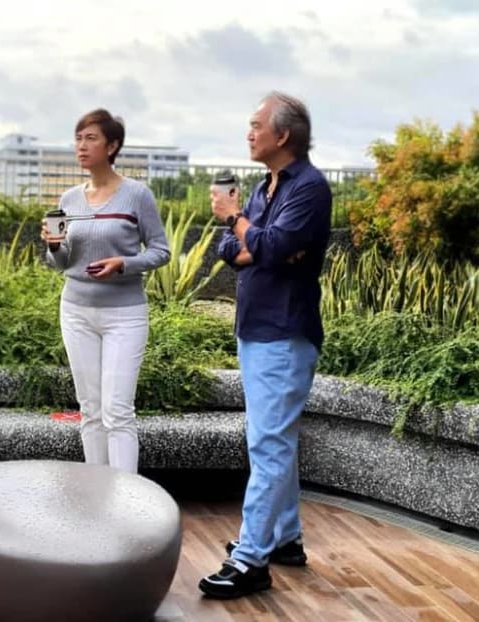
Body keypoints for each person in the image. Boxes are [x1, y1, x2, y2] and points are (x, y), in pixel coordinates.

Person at [198, 92, 332, 599]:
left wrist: (240, 222)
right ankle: (285, 540)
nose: (248, 133)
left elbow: (269, 246)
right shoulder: (265, 186)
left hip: (284, 332)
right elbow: (234, 250)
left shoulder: (311, 188)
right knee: (274, 440)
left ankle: (251, 560)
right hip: (255, 329)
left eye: (256, 125)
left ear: (283, 135)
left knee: (269, 445)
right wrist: (252, 237)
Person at [42, 109, 170, 474]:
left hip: (124, 314)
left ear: (112, 146)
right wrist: (54, 246)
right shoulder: (68, 200)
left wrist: (123, 264)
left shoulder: (136, 195)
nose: (81, 146)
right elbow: (61, 263)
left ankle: (127, 501)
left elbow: (160, 251)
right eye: (78, 138)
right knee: (91, 409)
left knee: (118, 410)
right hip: (76, 311)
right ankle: (97, 495)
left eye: (91, 138)